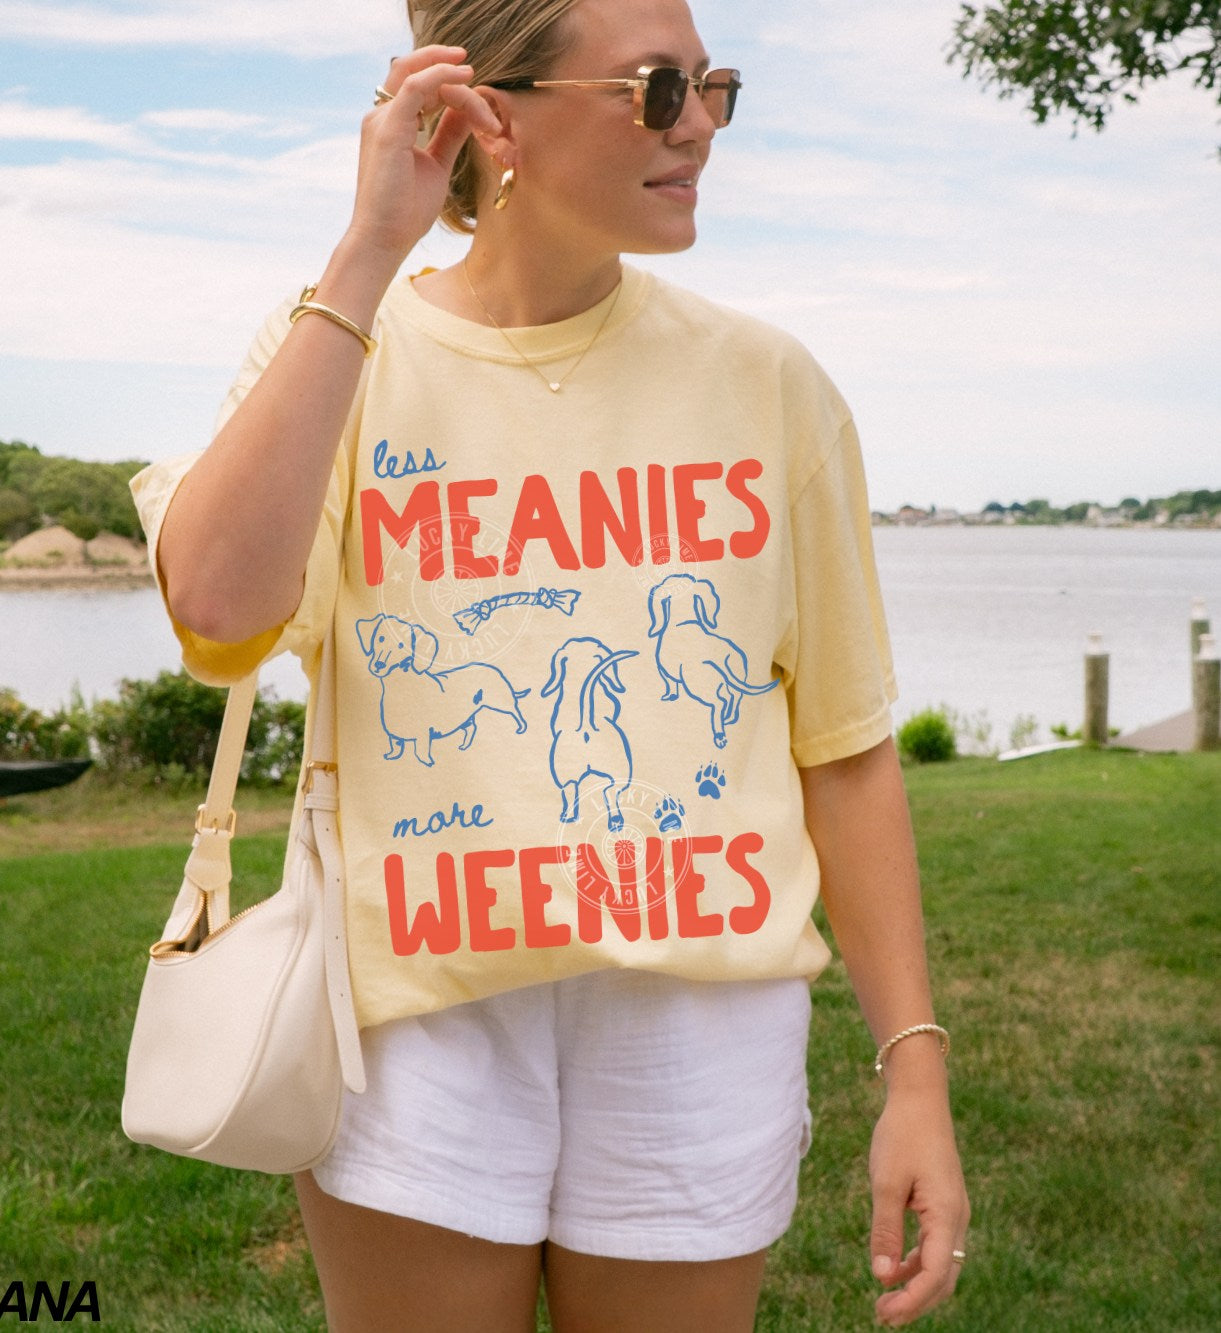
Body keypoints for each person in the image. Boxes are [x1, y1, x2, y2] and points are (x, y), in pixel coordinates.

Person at [130, 0, 970, 1328]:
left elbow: (847, 749)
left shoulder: (768, 385)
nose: (695, 127)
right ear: (490, 113)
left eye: (710, 89)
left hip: (699, 1031)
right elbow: (218, 612)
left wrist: (912, 1073)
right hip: (413, 1031)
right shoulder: (343, 353)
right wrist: (365, 252)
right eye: (652, 91)